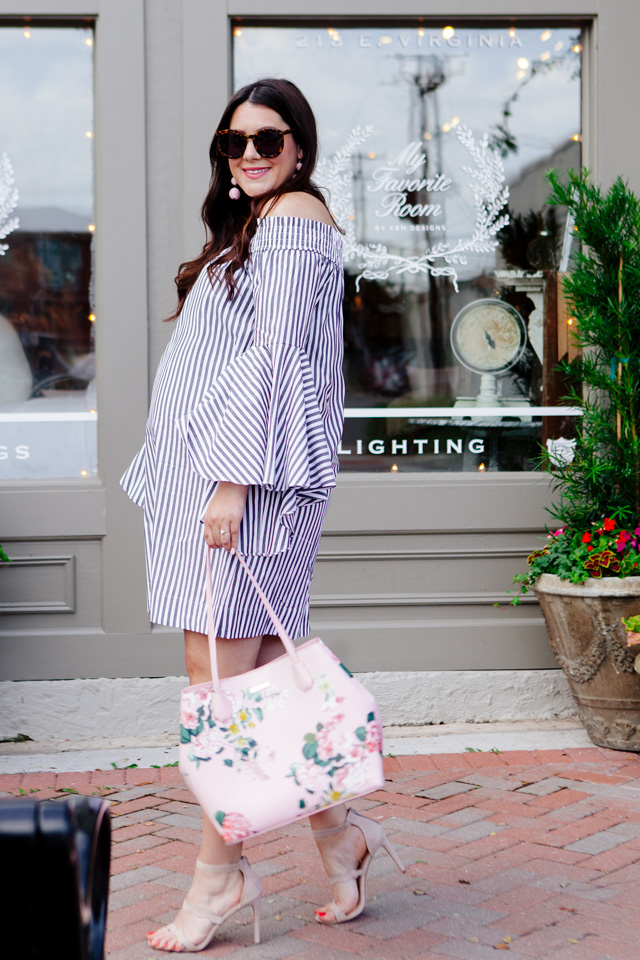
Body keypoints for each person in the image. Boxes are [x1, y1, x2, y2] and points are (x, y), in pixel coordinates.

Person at [121, 77, 403, 954]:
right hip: (215, 479)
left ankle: (220, 875)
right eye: (233, 142)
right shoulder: (260, 224)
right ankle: (339, 836)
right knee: (267, 673)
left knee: (223, 693)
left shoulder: (293, 219)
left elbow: (278, 358)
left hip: (244, 484)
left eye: (267, 139)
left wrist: (234, 481)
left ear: (299, 149)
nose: (248, 154)